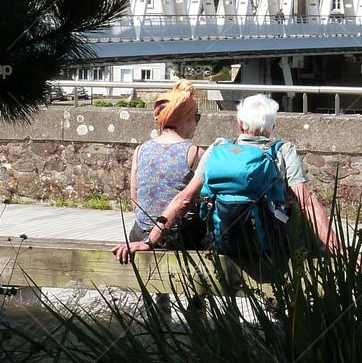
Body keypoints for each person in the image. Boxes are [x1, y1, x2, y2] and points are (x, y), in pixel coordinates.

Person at [112, 94, 342, 263]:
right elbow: (306, 202)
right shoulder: (283, 151)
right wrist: (338, 249)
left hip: (224, 243)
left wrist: (150, 240)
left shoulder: (217, 149)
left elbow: (183, 199)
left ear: (240, 124)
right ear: (272, 126)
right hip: (272, 246)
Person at [126, 79, 205, 249]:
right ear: (184, 119)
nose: (197, 124)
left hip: (140, 232)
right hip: (179, 237)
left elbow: (135, 200)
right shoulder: (194, 153)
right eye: (196, 117)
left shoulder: (140, 150)